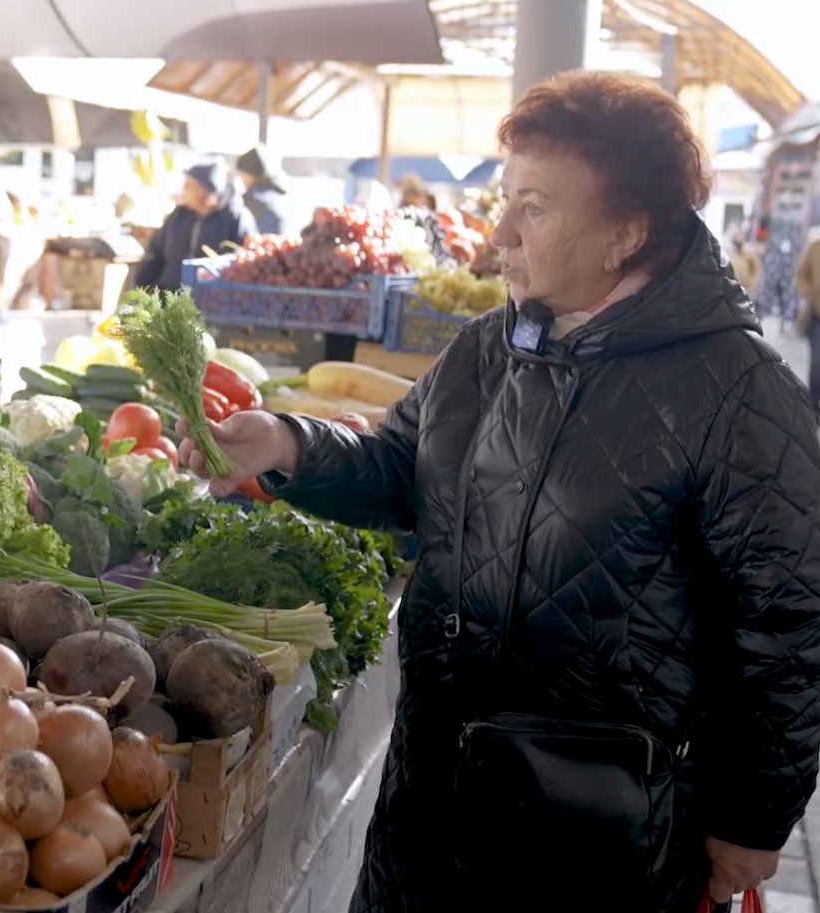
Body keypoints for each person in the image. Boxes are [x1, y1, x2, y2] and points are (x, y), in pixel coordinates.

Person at [179, 70, 820, 912]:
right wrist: (289, 444)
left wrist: (750, 820)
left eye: (535, 208)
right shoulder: (485, 349)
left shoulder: (737, 388)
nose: (498, 236)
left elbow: (787, 624)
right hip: (432, 798)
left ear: (624, 233)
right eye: (504, 199)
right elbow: (400, 473)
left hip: (598, 832)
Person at [132, 160, 256, 291]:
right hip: (169, 296)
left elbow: (244, 263)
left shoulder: (235, 218)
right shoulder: (179, 216)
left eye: (188, 185)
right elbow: (155, 253)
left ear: (204, 190)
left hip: (211, 300)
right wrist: (141, 287)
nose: (183, 189)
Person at [235, 145, 293, 236]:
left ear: (250, 174)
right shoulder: (281, 195)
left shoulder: (252, 199)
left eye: (242, 176)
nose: (242, 182)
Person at [793, 228, 820, 408]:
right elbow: (800, 276)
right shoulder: (815, 245)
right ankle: (813, 406)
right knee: (817, 362)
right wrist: (812, 296)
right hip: (817, 316)